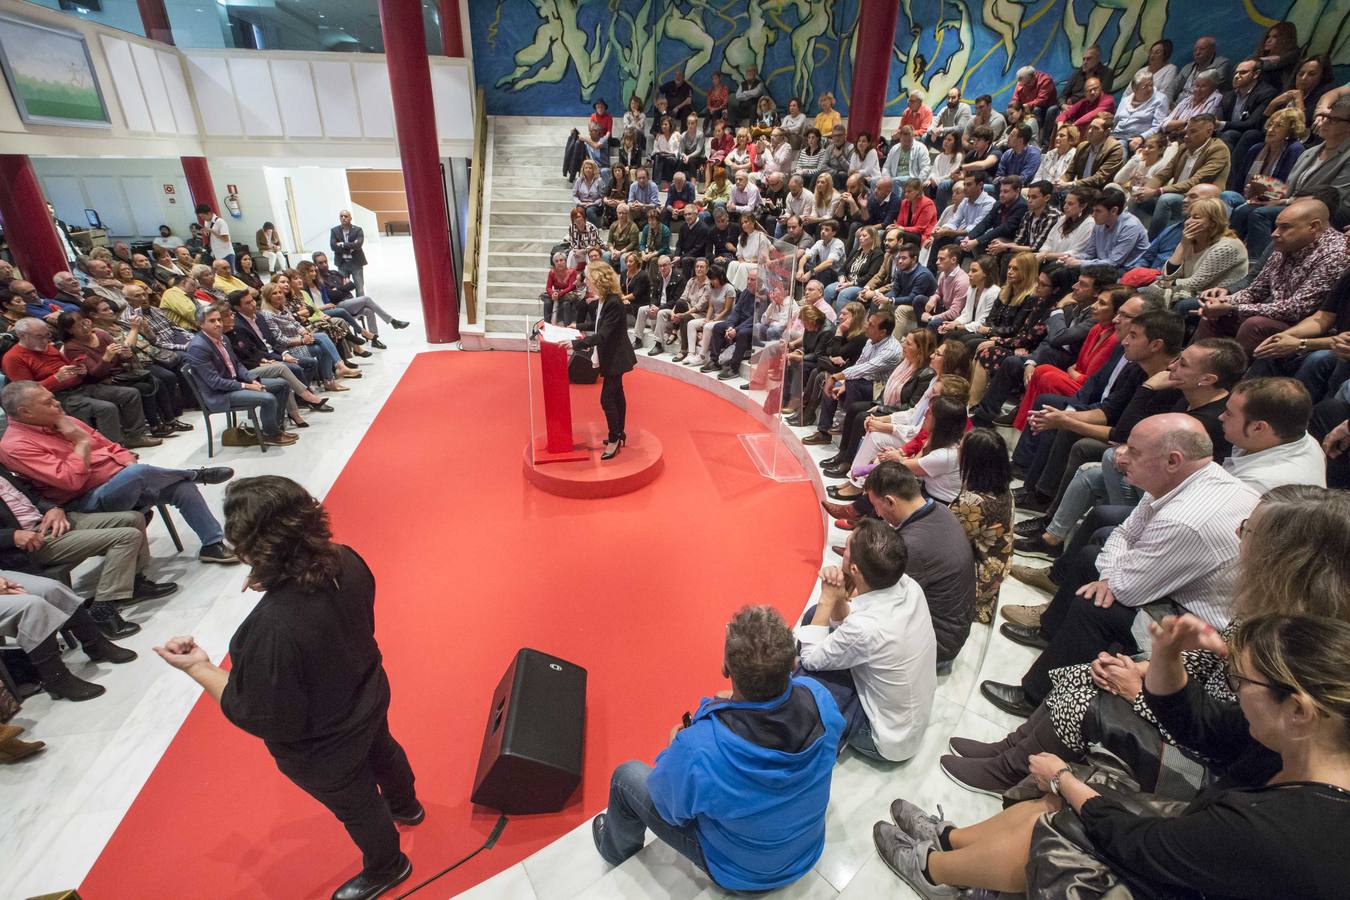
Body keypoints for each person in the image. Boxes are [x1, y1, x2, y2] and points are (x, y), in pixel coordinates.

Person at [154, 476, 422, 900]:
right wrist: (278, 577)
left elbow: (264, 715)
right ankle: (408, 805)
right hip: (369, 692)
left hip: (326, 741)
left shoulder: (271, 631)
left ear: (249, 547)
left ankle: (389, 866)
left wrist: (199, 668)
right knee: (383, 750)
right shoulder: (346, 559)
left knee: (357, 803)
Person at [984, 414, 1260, 715]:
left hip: (1199, 631)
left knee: (1097, 607)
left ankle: (1036, 696)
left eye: (1134, 451)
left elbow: (1127, 590)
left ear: (1173, 460)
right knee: (1093, 558)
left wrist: (1111, 579)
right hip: (1178, 592)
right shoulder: (1184, 478)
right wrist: (1112, 575)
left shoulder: (1187, 519)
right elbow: (1126, 531)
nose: (1120, 455)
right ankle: (1049, 632)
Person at [594, 604, 842, 890]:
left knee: (626, 778)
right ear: (792, 664)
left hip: (742, 874)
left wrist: (674, 750)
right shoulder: (821, 700)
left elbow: (669, 807)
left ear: (725, 668)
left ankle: (614, 850)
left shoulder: (699, 750)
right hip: (807, 851)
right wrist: (742, 706)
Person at [0, 382, 237, 564]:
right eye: (48, 402)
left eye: (53, 398)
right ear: (25, 412)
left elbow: (112, 446)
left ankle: (212, 544)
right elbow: (70, 482)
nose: (57, 404)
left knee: (179, 488)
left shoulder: (63, 419)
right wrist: (81, 442)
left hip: (123, 479)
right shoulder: (16, 445)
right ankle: (193, 473)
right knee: (139, 473)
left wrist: (125, 460)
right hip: (84, 501)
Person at [795, 515, 935, 763]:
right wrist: (838, 599)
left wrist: (828, 598)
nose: (843, 549)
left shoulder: (865, 628)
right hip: (909, 718)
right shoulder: (908, 585)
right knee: (815, 620)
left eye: (847, 546)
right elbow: (848, 630)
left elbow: (811, 659)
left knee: (809, 676)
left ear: (855, 570)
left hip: (885, 738)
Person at [1197, 198, 1348, 352]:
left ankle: (1238, 375)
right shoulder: (1287, 244)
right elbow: (1256, 291)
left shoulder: (1335, 254)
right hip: (1276, 313)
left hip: (1307, 326)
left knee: (1255, 325)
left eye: (1285, 227)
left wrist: (1233, 307)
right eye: (1276, 227)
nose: (1274, 234)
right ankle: (1192, 367)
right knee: (1212, 314)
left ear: (1314, 226)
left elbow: (1296, 309)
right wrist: (1222, 302)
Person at [860, 462, 975, 665]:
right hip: (952, 630)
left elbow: (879, 600)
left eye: (876, 506)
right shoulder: (941, 510)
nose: (877, 514)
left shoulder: (910, 546)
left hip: (936, 646)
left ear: (890, 502)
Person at [3, 317, 161, 449]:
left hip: (81, 386)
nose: (46, 340)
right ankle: (113, 447)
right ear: (21, 335)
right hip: (58, 396)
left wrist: (79, 371)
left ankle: (135, 435)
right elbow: (24, 393)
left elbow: (67, 365)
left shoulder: (47, 348)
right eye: (40, 336)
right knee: (106, 408)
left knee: (130, 393)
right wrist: (56, 379)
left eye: (47, 335)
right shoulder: (14, 358)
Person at [185, 304, 297, 445]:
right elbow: (215, 382)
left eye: (219, 319)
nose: (218, 324)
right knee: (267, 398)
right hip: (220, 394)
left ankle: (275, 428)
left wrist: (252, 380)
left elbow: (237, 365)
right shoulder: (198, 347)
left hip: (234, 383)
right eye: (212, 321)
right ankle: (270, 435)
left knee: (282, 385)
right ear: (200, 324)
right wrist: (247, 386)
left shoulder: (223, 339)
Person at [949, 429, 1014, 624]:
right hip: (997, 565)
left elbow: (944, 540)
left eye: (961, 448)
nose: (957, 449)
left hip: (979, 575)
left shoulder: (972, 502)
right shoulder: (1001, 488)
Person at [1220, 377, 1328, 490]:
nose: (1221, 417)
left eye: (1229, 413)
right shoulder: (1297, 435)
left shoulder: (1257, 484)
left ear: (1258, 427)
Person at [571, 262, 633, 460]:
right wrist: (576, 326)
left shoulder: (614, 302)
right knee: (617, 395)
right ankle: (620, 432)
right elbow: (598, 324)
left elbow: (603, 334)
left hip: (617, 357)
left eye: (590, 281)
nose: (588, 284)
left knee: (607, 399)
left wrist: (575, 343)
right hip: (612, 355)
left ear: (600, 282)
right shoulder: (605, 300)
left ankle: (614, 438)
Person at [329, 210, 367, 295]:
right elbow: (333, 246)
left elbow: (358, 245)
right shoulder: (334, 231)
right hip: (342, 263)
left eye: (346, 216)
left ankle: (361, 305)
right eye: (341, 216)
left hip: (356, 262)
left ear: (350, 218)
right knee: (342, 286)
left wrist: (342, 244)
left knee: (359, 287)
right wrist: (351, 246)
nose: (343, 218)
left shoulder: (357, 230)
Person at [197, 203, 233, 271]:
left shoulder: (220, 222)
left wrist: (213, 231)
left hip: (226, 253)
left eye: (203, 216)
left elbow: (226, 239)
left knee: (230, 273)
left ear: (209, 213)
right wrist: (205, 232)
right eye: (200, 217)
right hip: (216, 253)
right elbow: (210, 236)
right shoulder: (206, 222)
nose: (202, 218)